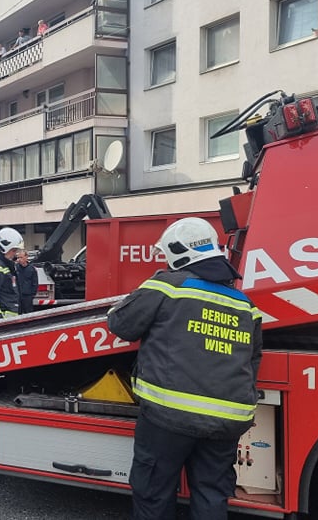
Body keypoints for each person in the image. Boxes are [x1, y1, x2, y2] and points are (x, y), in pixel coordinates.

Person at [107, 217, 263, 520]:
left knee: (153, 493)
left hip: (169, 417)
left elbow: (122, 324)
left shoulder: (168, 285)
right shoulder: (245, 304)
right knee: (211, 495)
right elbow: (253, 359)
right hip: (228, 422)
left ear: (180, 252)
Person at [15, 250, 39, 314]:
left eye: (21, 257)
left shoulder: (31, 269)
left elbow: (35, 283)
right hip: (17, 296)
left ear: (26, 257)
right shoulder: (15, 268)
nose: (19, 259)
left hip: (27, 296)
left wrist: (32, 294)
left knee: (28, 313)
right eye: (18, 257)